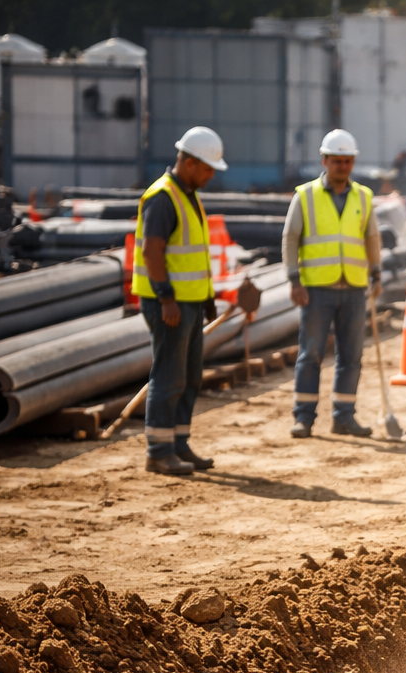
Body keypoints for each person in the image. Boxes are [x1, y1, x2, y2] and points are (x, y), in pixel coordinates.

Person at [134, 126, 225, 476]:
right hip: (168, 304)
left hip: (189, 301)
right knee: (168, 376)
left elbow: (192, 255)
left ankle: (178, 443)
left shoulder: (188, 195)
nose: (211, 174)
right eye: (206, 168)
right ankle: (158, 450)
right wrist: (167, 298)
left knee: (188, 375)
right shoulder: (162, 197)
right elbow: (152, 252)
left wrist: (207, 297)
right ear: (188, 163)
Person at [284, 128, 383, 438]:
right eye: (337, 160)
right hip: (316, 289)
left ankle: (343, 416)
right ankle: (304, 418)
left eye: (348, 161)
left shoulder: (363, 197)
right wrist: (293, 279)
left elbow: (372, 237)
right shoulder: (305, 196)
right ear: (324, 160)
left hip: (353, 288)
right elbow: (290, 238)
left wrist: (376, 273)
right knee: (310, 354)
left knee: (351, 356)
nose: (343, 166)